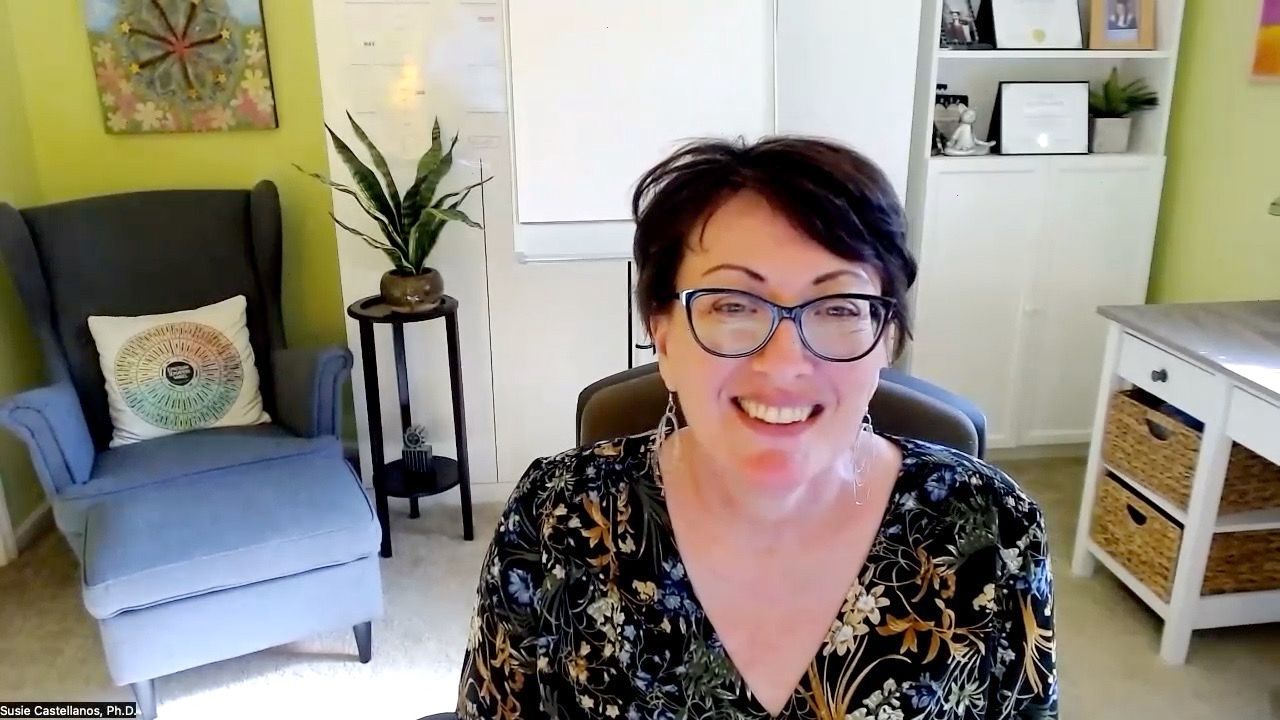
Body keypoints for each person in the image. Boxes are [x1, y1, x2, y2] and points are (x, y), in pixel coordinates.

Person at [456, 137, 1057, 719]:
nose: (784, 364)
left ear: (887, 340)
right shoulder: (553, 517)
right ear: (662, 336)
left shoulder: (993, 528)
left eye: (839, 307)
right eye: (734, 305)